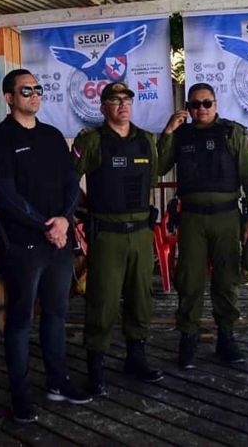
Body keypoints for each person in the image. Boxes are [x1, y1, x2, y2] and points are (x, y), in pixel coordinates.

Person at [0, 69, 91, 423]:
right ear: (9, 97)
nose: (34, 94)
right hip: (24, 246)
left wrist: (63, 219)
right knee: (21, 319)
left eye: (37, 88)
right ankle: (20, 394)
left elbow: (72, 182)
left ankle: (58, 382)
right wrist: (46, 225)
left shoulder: (52, 135)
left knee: (57, 315)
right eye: (25, 90)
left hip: (58, 242)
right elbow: (7, 195)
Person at [158, 82, 248, 368]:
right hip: (192, 218)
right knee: (189, 280)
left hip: (227, 217)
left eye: (206, 103)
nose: (201, 109)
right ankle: (188, 338)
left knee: (227, 280)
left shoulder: (232, 133)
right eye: (195, 104)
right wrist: (167, 133)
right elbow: (157, 167)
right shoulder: (180, 135)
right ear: (188, 108)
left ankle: (226, 337)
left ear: (215, 105)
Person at [72, 82, 164, 396]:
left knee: (141, 298)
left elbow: (149, 179)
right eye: (114, 100)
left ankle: (135, 358)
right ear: (103, 107)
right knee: (103, 301)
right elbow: (69, 180)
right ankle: (95, 366)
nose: (122, 105)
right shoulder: (92, 140)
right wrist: (82, 208)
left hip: (140, 233)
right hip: (107, 235)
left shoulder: (146, 140)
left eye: (127, 100)